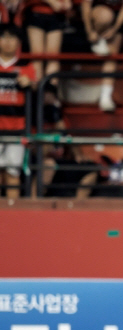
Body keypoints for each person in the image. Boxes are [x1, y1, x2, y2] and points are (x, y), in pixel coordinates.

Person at [0, 25, 36, 200]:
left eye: (12, 37)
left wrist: (30, 83)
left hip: (17, 129)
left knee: (13, 173)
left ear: (19, 42)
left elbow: (37, 86)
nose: (8, 42)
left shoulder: (26, 67)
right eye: (4, 37)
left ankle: (12, 212)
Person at [81, 0, 123, 112]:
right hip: (94, 17)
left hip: (116, 20)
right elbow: (85, 4)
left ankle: (105, 97)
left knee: (112, 55)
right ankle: (97, 40)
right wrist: (89, 31)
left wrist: (115, 29)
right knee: (105, 15)